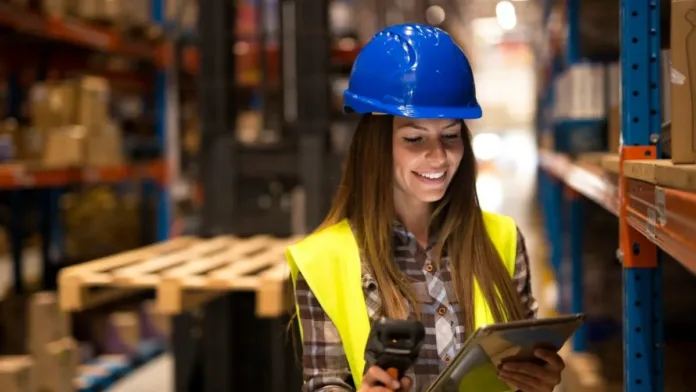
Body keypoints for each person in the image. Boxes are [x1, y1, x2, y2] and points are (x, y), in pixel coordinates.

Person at [286, 23, 565, 392]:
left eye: (450, 135)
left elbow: (518, 370)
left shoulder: (503, 240)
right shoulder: (323, 260)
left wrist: (541, 381)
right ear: (376, 146)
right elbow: (325, 382)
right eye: (414, 138)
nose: (438, 157)